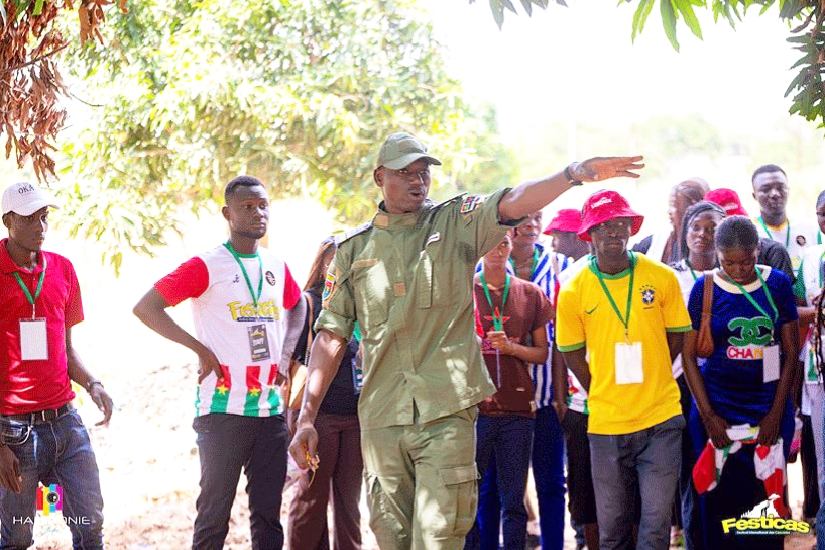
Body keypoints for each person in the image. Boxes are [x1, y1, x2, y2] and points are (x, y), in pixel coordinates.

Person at [288, 131, 643, 550]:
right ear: (379, 176)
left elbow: (513, 200)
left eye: (424, 173)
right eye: (406, 173)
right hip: (382, 419)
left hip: (447, 414)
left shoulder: (456, 222)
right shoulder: (352, 251)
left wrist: (572, 175)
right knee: (392, 538)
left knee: (439, 537)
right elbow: (330, 335)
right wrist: (307, 415)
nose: (418, 181)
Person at [133, 175, 306, 550]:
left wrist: (287, 353)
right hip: (222, 411)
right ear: (228, 213)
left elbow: (299, 304)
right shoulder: (206, 266)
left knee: (267, 518)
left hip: (270, 411)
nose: (258, 213)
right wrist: (199, 349)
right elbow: (147, 307)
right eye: (247, 207)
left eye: (263, 205)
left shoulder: (276, 265)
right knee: (214, 518)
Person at [556, 189, 691, 550]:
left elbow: (679, 333)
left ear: (630, 229)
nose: (613, 232)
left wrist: (658, 367)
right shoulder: (573, 290)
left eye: (620, 224)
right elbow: (570, 352)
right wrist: (599, 386)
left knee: (655, 524)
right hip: (606, 423)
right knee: (612, 526)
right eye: (604, 226)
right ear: (589, 234)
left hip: (660, 417)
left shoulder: (661, 277)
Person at [0, 181, 114, 549]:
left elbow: (66, 350)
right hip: (13, 432)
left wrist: (93, 384)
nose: (40, 225)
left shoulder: (63, 270)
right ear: (8, 221)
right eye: (29, 218)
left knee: (89, 522)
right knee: (18, 536)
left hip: (66, 423)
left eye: (44, 216)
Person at [682, 216, 798, 550]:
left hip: (768, 404)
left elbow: (790, 352)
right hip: (717, 405)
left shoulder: (776, 284)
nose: (738, 269)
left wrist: (776, 413)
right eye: (728, 262)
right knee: (716, 500)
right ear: (716, 254)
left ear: (757, 250)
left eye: (746, 260)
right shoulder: (703, 288)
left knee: (766, 500)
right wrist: (708, 416)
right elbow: (689, 357)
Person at [474, 211, 570, 550]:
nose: (531, 224)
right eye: (523, 218)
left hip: (544, 397)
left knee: (551, 482)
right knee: (492, 487)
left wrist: (561, 394)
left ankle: (554, 545)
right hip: (492, 402)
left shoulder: (560, 265)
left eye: (538, 218)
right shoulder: (480, 272)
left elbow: (562, 339)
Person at [287, 238, 363, 550]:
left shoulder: (363, 306)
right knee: (312, 496)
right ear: (322, 266)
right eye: (334, 261)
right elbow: (289, 360)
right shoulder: (308, 303)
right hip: (318, 417)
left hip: (356, 416)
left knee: (349, 501)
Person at [668, 200, 728, 549]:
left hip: (724, 382)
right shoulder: (668, 276)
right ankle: (695, 539)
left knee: (726, 466)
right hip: (681, 384)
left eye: (713, 228)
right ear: (685, 232)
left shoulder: (737, 276)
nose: (704, 235)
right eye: (697, 228)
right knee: (692, 470)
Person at [547, 208, 603, 550]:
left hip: (622, 399)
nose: (553, 242)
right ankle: (586, 540)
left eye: (558, 234)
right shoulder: (571, 277)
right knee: (581, 479)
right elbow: (560, 342)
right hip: (580, 399)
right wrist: (559, 395)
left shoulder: (637, 270)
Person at [793, 190, 825, 522]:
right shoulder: (813, 257)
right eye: (822, 213)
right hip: (818, 367)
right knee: (822, 458)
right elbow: (795, 305)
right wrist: (815, 313)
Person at [705, 187, 795, 283]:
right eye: (729, 263)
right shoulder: (706, 257)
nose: (735, 230)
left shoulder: (773, 252)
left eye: (746, 262)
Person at [751, 164, 820, 277]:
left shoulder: (809, 227)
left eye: (780, 187)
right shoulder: (750, 232)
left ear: (788, 190)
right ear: (754, 195)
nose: (774, 194)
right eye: (766, 189)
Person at [632, 178, 709, 264]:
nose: (669, 211)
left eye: (673, 205)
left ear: (692, 207)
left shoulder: (709, 246)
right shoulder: (657, 242)